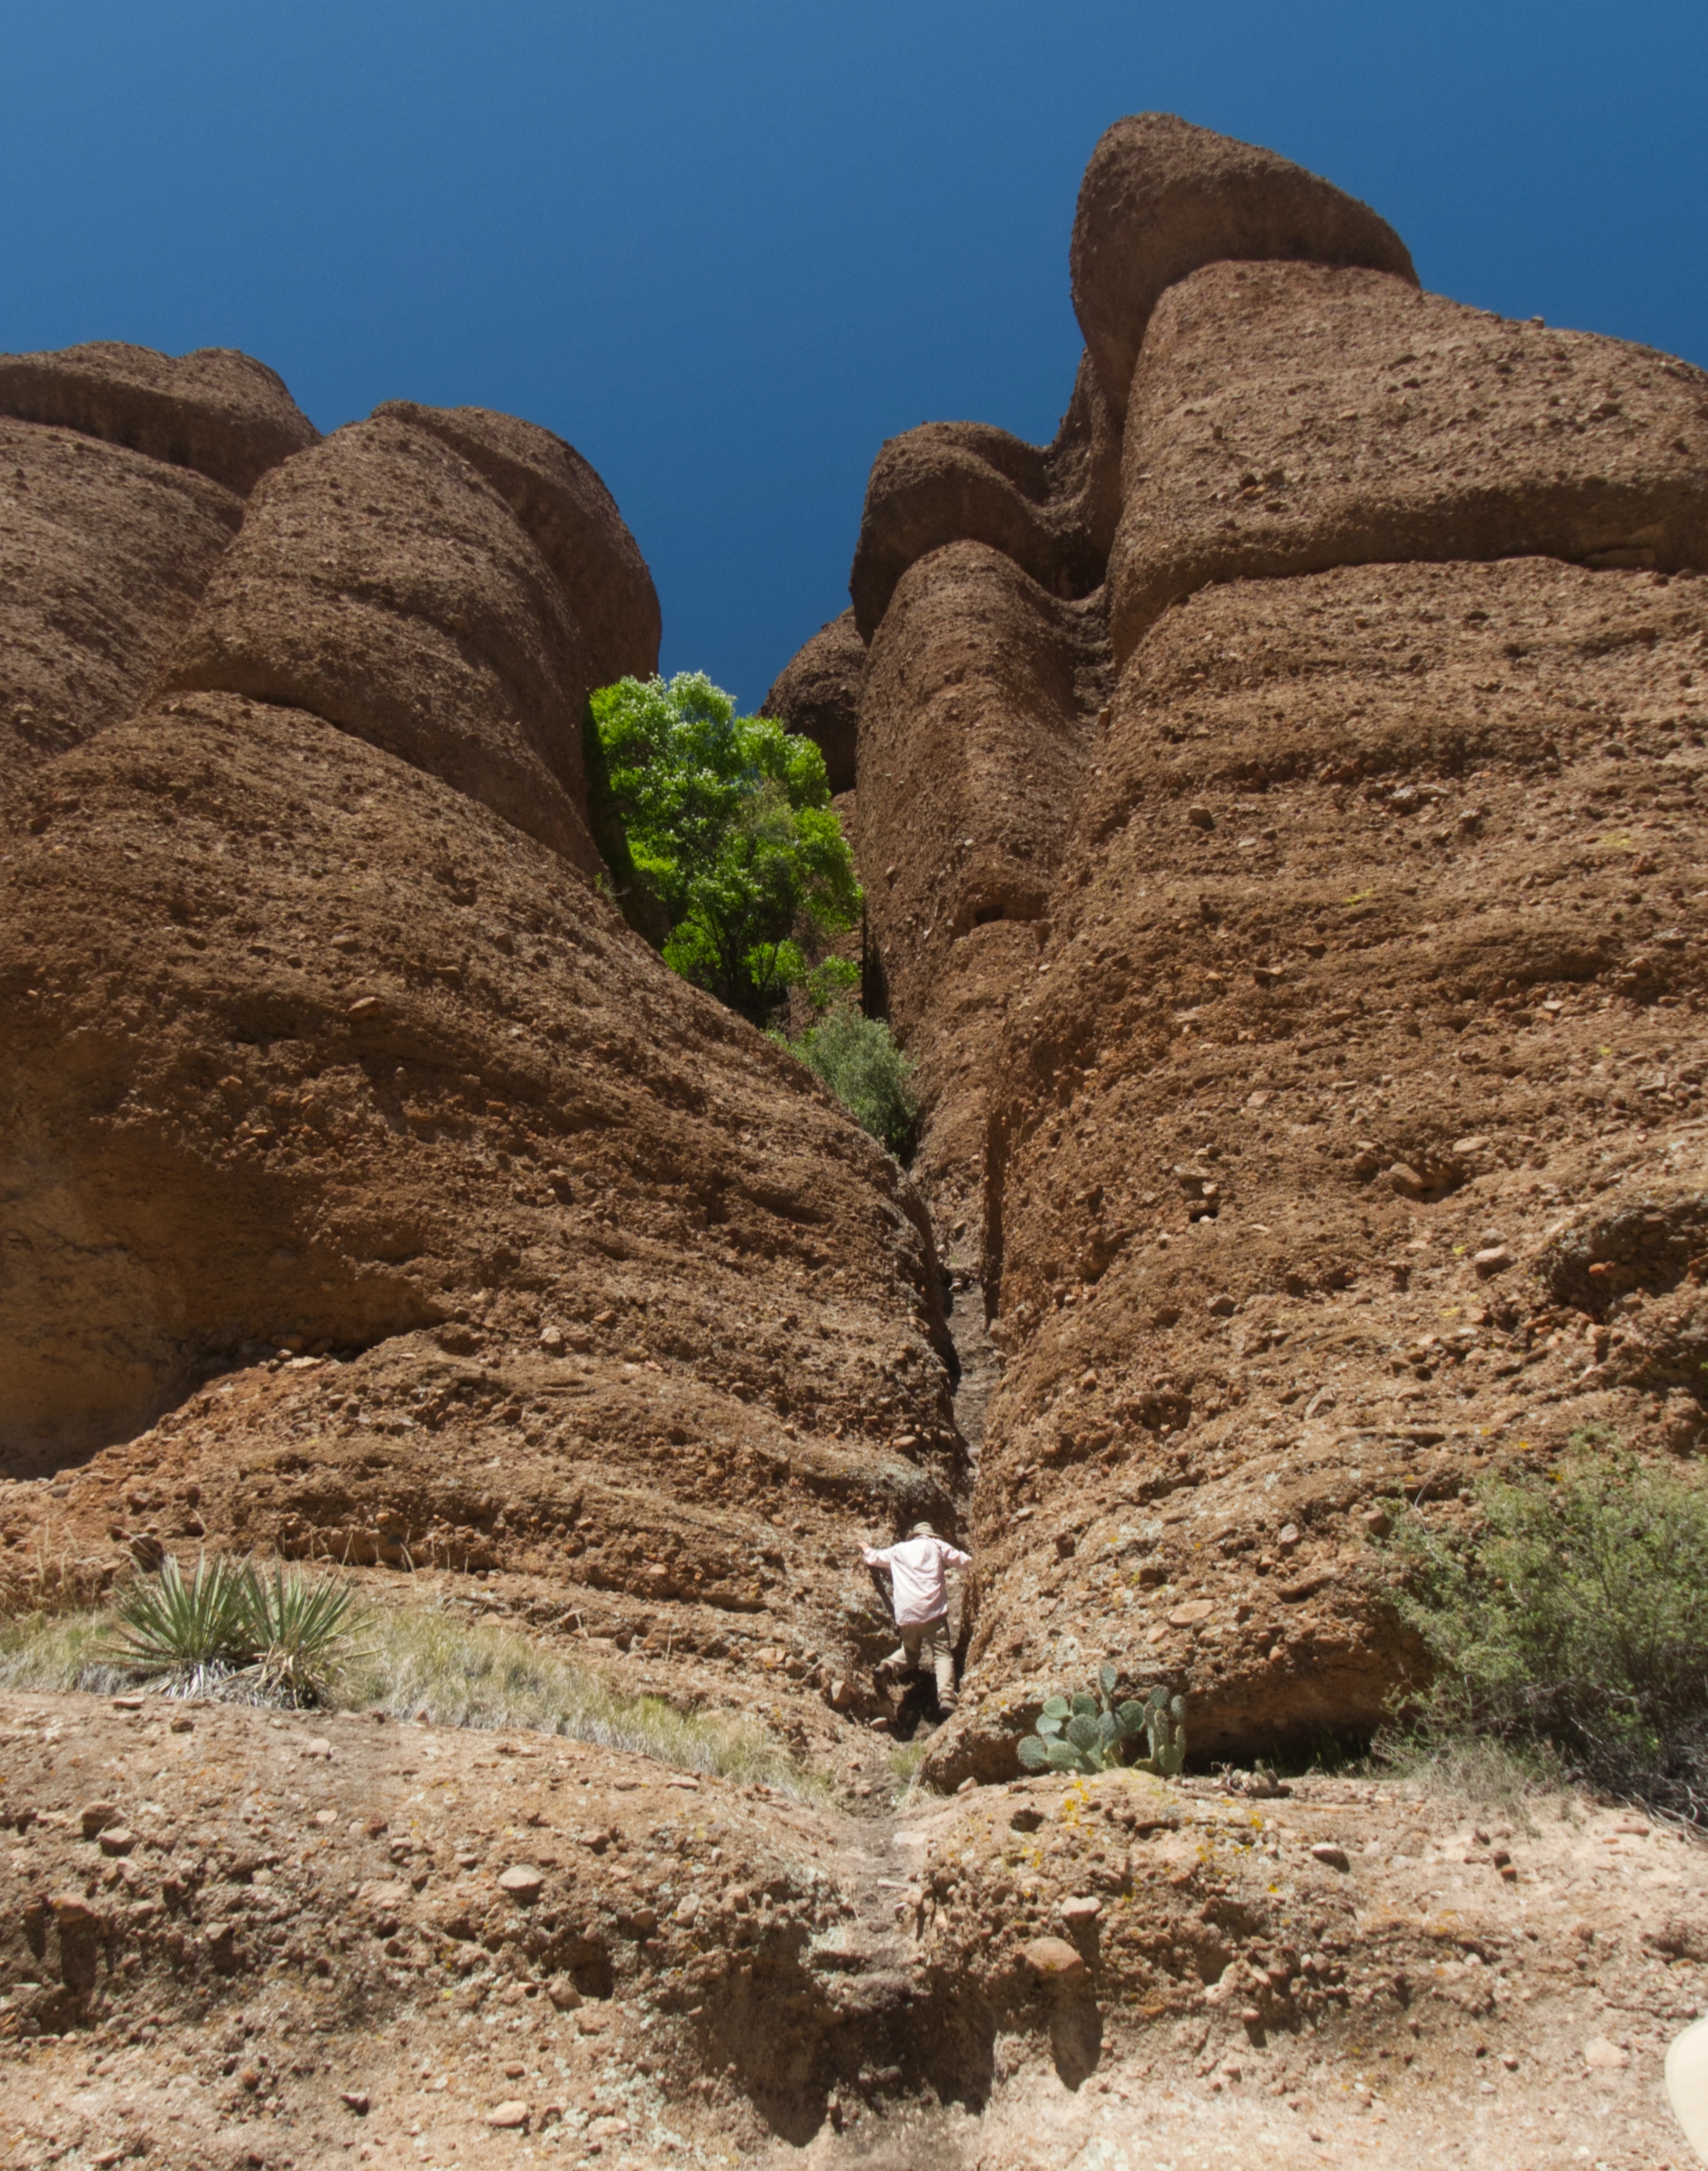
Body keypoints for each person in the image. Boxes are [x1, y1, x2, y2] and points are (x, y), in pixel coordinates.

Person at [860, 1520, 971, 1711]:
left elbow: (874, 1559)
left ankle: (887, 1667)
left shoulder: (898, 1549)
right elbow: (961, 1560)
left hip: (906, 1613)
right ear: (929, 1535)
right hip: (932, 1611)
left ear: (914, 1535)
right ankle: (946, 1696)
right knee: (942, 1654)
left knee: (910, 1652)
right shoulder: (936, 1545)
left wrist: (866, 1548)